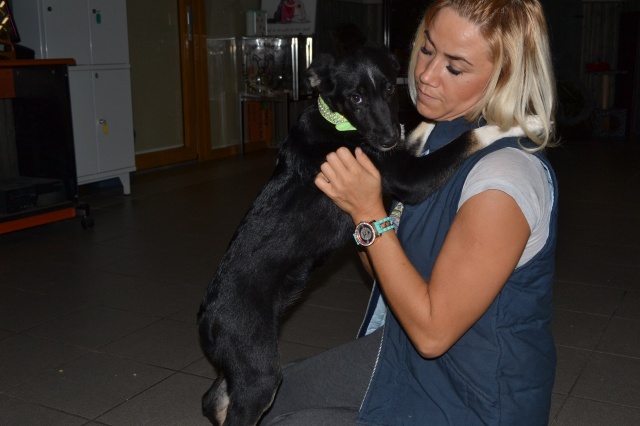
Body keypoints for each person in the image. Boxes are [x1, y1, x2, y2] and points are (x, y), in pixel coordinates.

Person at [260, 0, 558, 424]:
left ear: (504, 77)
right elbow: (386, 269)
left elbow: (432, 334)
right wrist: (353, 208)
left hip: (472, 397)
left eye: (454, 68)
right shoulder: (430, 136)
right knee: (272, 396)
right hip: (401, 351)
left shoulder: (504, 181)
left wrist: (367, 211)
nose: (426, 75)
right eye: (427, 49)